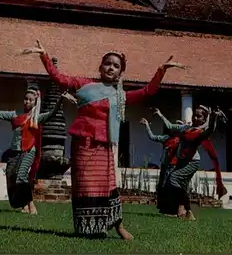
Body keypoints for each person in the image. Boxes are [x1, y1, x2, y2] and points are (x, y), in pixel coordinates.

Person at [20, 40, 185, 240]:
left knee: (107, 185)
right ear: (100, 66)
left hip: (104, 146)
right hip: (83, 143)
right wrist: (44, 56)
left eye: (116, 66)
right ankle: (88, 228)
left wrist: (161, 70)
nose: (111, 68)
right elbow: (59, 78)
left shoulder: (119, 95)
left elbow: (147, 92)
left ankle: (118, 226)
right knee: (85, 185)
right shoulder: (85, 85)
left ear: (120, 73)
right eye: (108, 63)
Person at [0, 87, 76, 214]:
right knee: (11, 177)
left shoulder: (37, 118)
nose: (27, 102)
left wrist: (60, 100)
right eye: (25, 99)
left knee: (21, 177)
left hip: (29, 151)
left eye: (30, 100)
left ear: (34, 102)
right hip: (14, 151)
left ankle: (31, 204)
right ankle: (23, 205)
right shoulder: (15, 116)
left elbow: (52, 113)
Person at [154, 106, 227, 220]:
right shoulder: (186, 128)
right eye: (194, 115)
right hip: (182, 161)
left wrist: (213, 118)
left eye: (199, 116)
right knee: (181, 186)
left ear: (203, 120)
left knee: (173, 178)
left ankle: (185, 209)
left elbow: (211, 129)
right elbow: (169, 126)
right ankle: (185, 212)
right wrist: (160, 115)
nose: (195, 117)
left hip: (192, 162)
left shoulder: (200, 133)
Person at [139, 117, 184, 216]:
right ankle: (166, 210)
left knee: (172, 187)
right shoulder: (166, 138)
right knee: (163, 187)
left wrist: (183, 124)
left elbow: (188, 133)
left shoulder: (181, 139)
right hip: (165, 165)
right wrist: (147, 125)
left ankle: (175, 210)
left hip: (175, 166)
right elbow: (152, 137)